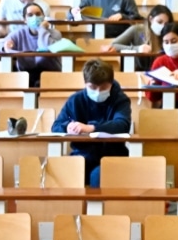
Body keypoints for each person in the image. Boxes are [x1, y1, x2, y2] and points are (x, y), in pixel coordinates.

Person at [51, 59, 132, 188]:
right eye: (92, 87)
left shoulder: (120, 99)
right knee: (61, 175)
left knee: (98, 177)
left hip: (113, 156)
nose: (98, 92)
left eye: (104, 88)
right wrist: (67, 126)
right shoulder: (75, 99)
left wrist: (91, 128)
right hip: (81, 156)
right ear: (85, 84)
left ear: (111, 84)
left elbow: (122, 125)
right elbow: (56, 127)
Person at [0, 3, 61, 88]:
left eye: (38, 14)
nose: (35, 17)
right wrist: (5, 47)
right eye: (30, 15)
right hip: (25, 75)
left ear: (43, 17)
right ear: (25, 19)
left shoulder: (55, 33)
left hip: (50, 73)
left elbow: (44, 48)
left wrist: (42, 30)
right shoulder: (19, 33)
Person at [105, 4, 172, 70]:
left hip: (162, 71)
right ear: (150, 19)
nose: (163, 26)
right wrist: (137, 49)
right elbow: (113, 45)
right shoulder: (137, 29)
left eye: (166, 24)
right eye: (159, 22)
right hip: (138, 70)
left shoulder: (169, 34)